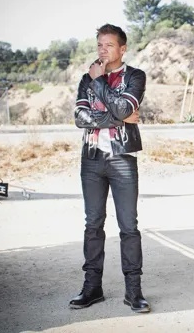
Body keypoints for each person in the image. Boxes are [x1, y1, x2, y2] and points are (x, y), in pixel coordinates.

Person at [70, 23, 149, 313]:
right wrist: (117, 117)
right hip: (91, 159)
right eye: (99, 45)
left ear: (122, 49)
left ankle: (134, 291)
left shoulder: (135, 76)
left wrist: (101, 83)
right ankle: (92, 288)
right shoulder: (85, 78)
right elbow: (80, 118)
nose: (102, 50)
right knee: (93, 225)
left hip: (122, 158)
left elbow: (125, 109)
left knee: (129, 227)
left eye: (109, 45)